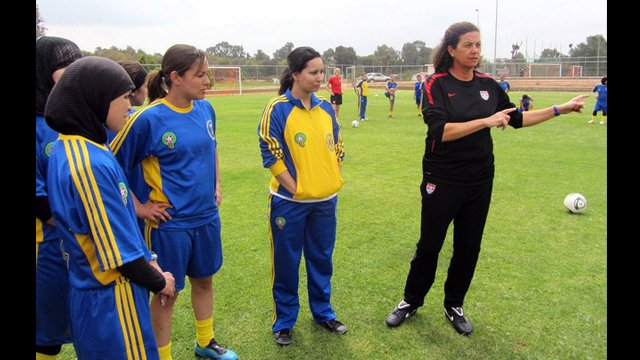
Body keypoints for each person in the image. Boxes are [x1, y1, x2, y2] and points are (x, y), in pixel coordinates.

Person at [384, 21, 587, 336]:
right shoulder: (435, 84)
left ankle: (454, 304)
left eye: (478, 45)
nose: (475, 50)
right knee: (430, 245)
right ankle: (411, 301)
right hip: (442, 177)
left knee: (469, 246)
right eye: (468, 45)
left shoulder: (489, 85)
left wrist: (560, 108)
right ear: (451, 50)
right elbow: (441, 131)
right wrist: (485, 120)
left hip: (479, 179)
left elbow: (515, 119)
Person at [111, 44, 238, 360]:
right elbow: (111, 166)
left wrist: (217, 184)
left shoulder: (206, 110)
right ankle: (162, 356)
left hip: (206, 217)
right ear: (175, 77)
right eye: (201, 75)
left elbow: (212, 148)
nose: (207, 81)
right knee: (167, 292)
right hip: (171, 224)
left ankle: (205, 342)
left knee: (204, 281)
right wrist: (140, 207)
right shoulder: (147, 119)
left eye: (206, 73)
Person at [44, 56, 176, 359]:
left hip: (111, 296)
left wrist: (150, 258)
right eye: (122, 98)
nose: (129, 106)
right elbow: (117, 254)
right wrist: (160, 280)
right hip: (111, 300)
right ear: (97, 99)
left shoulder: (88, 145)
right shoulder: (86, 164)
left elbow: (121, 222)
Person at [257, 46, 347, 346]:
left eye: (322, 71)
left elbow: (337, 146)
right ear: (295, 74)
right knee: (287, 261)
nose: (319, 77)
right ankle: (284, 322)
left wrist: (329, 177)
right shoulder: (278, 108)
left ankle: (323, 313)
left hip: (324, 202)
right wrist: (295, 188)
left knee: (321, 259)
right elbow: (270, 153)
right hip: (289, 203)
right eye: (313, 72)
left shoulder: (324, 109)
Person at [35, 35, 82, 360]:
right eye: (63, 65)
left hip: (84, 244)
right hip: (48, 246)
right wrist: (80, 226)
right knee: (46, 331)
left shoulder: (76, 117)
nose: (73, 71)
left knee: (88, 322)